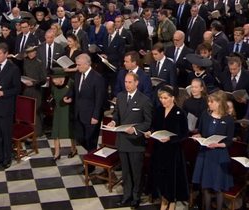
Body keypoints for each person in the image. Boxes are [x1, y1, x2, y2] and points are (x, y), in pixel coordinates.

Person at [107, 73, 152, 209]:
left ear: (136, 83)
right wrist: (114, 121)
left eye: (130, 82)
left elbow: (147, 122)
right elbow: (117, 114)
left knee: (136, 171)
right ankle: (127, 196)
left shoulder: (144, 100)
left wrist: (135, 129)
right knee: (125, 171)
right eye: (126, 82)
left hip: (135, 141)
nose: (127, 84)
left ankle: (136, 197)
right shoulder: (120, 97)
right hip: (122, 140)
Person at [144, 85, 189, 210]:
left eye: (165, 98)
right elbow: (154, 126)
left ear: (172, 98)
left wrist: (171, 139)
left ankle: (172, 201)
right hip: (159, 149)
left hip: (173, 151)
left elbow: (184, 134)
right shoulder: (158, 110)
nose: (162, 101)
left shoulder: (180, 113)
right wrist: (150, 133)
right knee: (160, 176)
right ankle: (163, 200)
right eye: (161, 98)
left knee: (171, 177)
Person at [192, 90, 234, 210]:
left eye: (211, 102)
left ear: (219, 103)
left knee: (218, 186)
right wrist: (198, 137)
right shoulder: (205, 115)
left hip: (219, 155)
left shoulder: (228, 120)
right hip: (205, 153)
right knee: (206, 185)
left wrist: (218, 144)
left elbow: (229, 142)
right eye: (208, 101)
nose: (209, 104)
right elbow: (201, 132)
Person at [63, 53, 104, 173]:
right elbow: (75, 90)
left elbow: (99, 99)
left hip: (91, 115)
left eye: (79, 65)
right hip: (79, 113)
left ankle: (91, 166)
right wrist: (68, 96)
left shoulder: (97, 78)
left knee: (91, 140)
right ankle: (95, 153)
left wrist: (95, 116)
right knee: (80, 137)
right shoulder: (78, 74)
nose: (77, 67)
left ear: (87, 64)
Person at [0, 43, 21, 169]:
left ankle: (7, 159)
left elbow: (17, 89)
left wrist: (2, 93)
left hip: (6, 107)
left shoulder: (13, 69)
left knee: (6, 135)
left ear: (6, 54)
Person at [50, 67, 76, 161]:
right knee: (55, 131)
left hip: (68, 110)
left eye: (54, 79)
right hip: (58, 110)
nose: (53, 81)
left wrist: (71, 99)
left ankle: (73, 149)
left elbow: (76, 95)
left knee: (70, 131)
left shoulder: (71, 83)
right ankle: (57, 153)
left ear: (60, 78)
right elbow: (52, 94)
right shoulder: (53, 85)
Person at [23, 45, 47, 138]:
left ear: (35, 52)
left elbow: (43, 79)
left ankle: (37, 132)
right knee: (28, 111)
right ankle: (29, 131)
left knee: (36, 110)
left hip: (36, 89)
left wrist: (33, 83)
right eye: (28, 52)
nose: (30, 54)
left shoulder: (39, 63)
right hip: (27, 89)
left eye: (31, 52)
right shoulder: (25, 61)